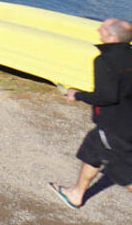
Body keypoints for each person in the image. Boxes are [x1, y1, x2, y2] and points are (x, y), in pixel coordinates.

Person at [52, 18, 132, 208]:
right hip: (125, 120)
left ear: (112, 36)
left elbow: (107, 96)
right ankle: (76, 194)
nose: (98, 29)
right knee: (92, 151)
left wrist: (77, 95)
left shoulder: (105, 60)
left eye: (103, 28)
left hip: (114, 125)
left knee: (125, 173)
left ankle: (76, 194)